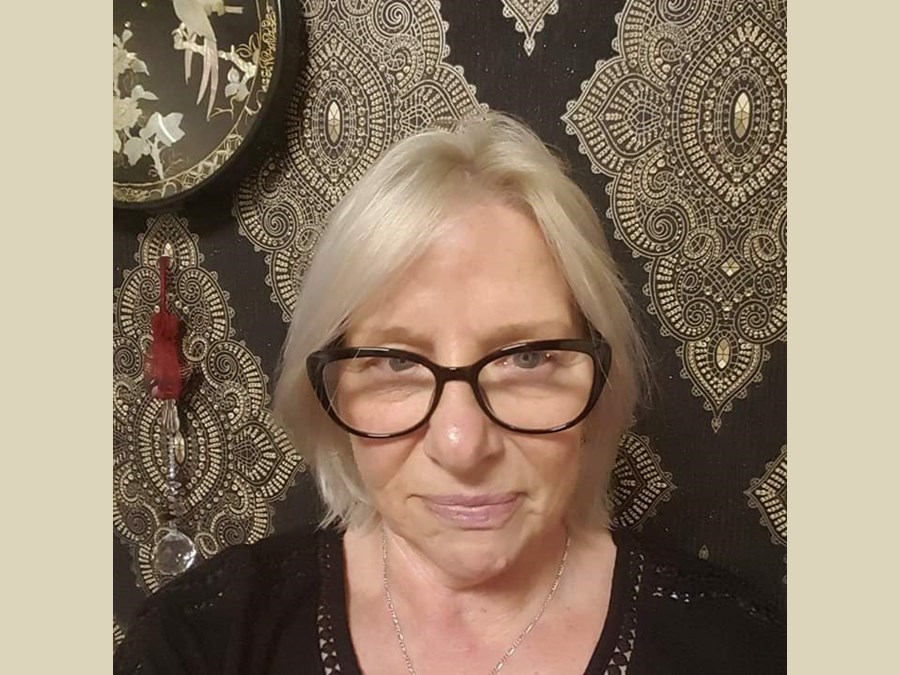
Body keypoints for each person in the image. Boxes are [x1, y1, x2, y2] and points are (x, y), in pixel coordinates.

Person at [115, 113, 786, 674]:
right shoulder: (200, 643)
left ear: (599, 374)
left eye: (527, 357)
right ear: (331, 392)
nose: (462, 445)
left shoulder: (740, 648)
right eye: (394, 362)